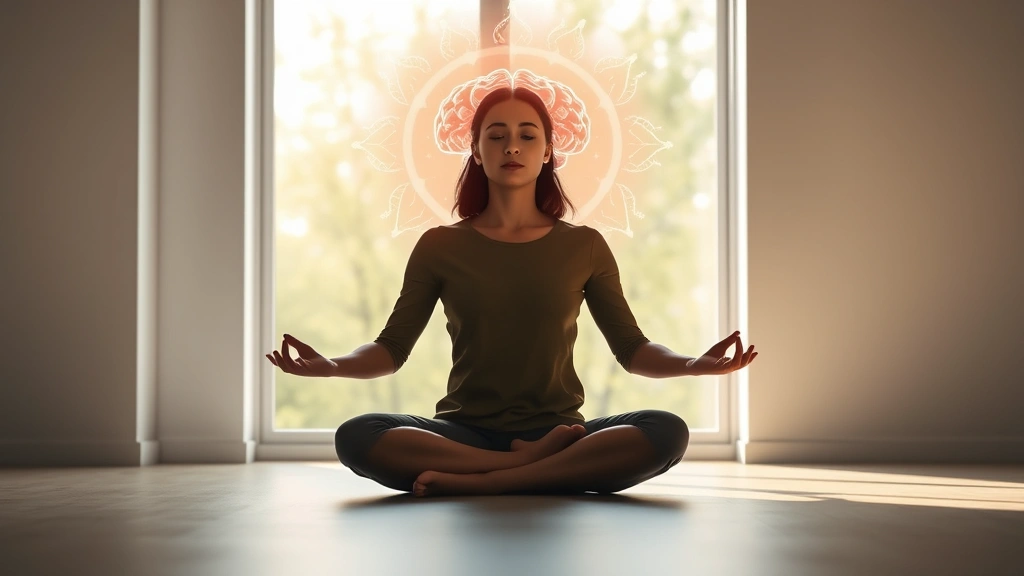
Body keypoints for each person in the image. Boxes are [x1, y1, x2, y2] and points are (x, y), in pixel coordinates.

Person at [267, 85, 757, 498]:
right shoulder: (439, 246)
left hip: (560, 431)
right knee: (358, 435)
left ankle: (489, 481)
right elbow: (391, 349)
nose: (512, 148)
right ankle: (527, 469)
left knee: (666, 431)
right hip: (464, 433)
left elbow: (632, 349)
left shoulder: (584, 246)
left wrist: (693, 365)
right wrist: (333, 366)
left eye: (527, 135)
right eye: (496, 136)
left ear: (547, 152)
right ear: (476, 151)